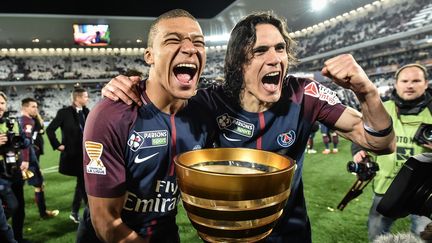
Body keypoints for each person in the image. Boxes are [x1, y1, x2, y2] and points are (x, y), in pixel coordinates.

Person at [103, 12, 395, 243]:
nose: (275, 58)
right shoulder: (209, 103)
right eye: (260, 50)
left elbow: (381, 142)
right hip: (226, 237)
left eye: (280, 48)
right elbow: (160, 96)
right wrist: (127, 86)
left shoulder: (303, 94)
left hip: (291, 236)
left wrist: (366, 91)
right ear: (239, 62)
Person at [77, 9, 214, 243]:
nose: (191, 48)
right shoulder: (111, 114)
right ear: (149, 56)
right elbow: (106, 223)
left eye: (198, 42)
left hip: (166, 234)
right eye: (173, 40)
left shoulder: (206, 112)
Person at [352, 63, 432, 242]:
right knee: (376, 234)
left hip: (424, 191)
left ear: (426, 83)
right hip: (385, 188)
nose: (409, 85)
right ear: (396, 84)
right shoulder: (381, 108)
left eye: (416, 80)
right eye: (405, 81)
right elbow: (359, 134)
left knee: (423, 237)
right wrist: (358, 151)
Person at [46, 87, 89, 223]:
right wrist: (58, 145)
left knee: (82, 183)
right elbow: (50, 129)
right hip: (72, 156)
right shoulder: (64, 113)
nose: (88, 99)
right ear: (78, 98)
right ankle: (90, 211)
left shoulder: (87, 112)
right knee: (83, 183)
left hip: (85, 155)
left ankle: (76, 212)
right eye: (86, 97)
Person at [20, 98, 59, 219]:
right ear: (25, 107)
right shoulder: (27, 122)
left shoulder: (25, 120)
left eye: (36, 106)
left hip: (27, 158)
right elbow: (25, 143)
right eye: (33, 106)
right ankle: (43, 213)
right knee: (39, 185)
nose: (36, 109)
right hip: (28, 160)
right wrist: (26, 160)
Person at [0, 92, 27, 242]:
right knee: (11, 205)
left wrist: (21, 141)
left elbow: (24, 143)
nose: (0, 106)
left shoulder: (13, 121)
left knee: (19, 208)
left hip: (14, 167)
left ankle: (19, 237)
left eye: (2, 103)